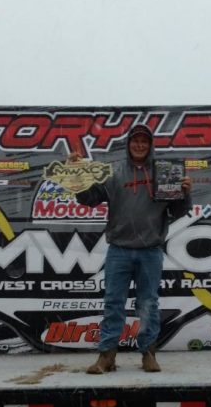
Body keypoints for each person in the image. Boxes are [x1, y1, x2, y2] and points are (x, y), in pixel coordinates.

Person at [70, 124, 192, 373]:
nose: (139, 145)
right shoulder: (113, 172)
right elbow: (89, 199)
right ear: (128, 144)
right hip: (119, 250)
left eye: (144, 141)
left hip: (151, 251)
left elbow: (178, 211)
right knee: (113, 303)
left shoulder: (165, 172)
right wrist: (76, 175)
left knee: (148, 304)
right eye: (135, 141)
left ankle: (148, 353)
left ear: (150, 145)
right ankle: (107, 355)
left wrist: (186, 193)